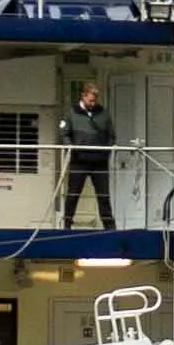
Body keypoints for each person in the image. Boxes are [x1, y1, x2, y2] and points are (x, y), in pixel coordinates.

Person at [55, 74, 118, 231]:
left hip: (99, 162)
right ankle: (67, 225)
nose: (93, 103)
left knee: (103, 197)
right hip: (79, 160)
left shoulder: (103, 114)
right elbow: (64, 134)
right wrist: (73, 147)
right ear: (83, 96)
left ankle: (110, 228)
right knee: (73, 194)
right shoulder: (71, 113)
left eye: (95, 100)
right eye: (90, 100)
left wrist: (106, 150)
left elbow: (112, 135)